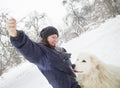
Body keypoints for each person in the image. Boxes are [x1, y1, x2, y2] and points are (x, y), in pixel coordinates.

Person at [7, 18, 81, 88]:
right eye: (53, 37)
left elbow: (69, 67)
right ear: (46, 38)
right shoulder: (41, 52)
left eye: (56, 37)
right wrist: (16, 36)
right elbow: (28, 48)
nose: (55, 40)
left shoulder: (59, 50)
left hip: (77, 84)